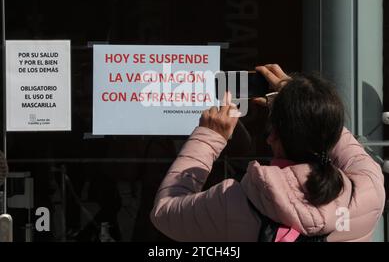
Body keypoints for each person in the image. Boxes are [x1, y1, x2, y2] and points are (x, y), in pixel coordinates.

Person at [150, 64, 386, 242]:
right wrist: (304, 105)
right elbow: (344, 146)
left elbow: (164, 213)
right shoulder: (367, 193)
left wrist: (209, 136)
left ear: (272, 136)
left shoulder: (235, 201)